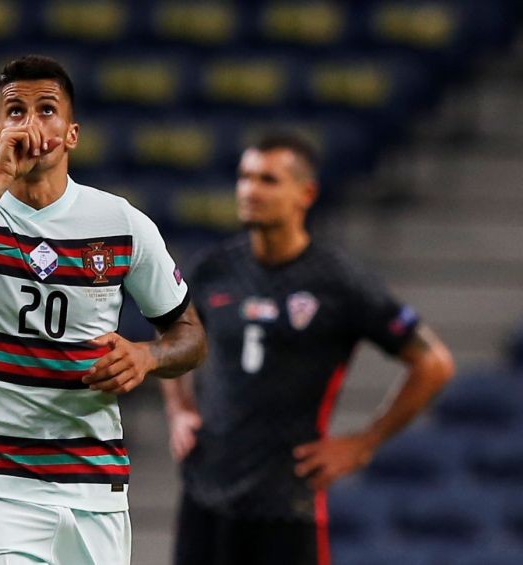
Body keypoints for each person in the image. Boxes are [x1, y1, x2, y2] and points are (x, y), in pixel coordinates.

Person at [0, 55, 207, 565]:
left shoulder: (121, 223)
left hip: (95, 485)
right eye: (15, 112)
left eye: (46, 110)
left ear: (71, 134)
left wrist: (148, 357)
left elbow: (190, 335)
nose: (30, 124)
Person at [160, 133, 455, 565]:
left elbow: (434, 363)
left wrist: (364, 443)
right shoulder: (215, 268)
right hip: (205, 492)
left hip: (285, 502)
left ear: (306, 193)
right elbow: (171, 331)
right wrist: (178, 408)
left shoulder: (338, 281)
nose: (250, 190)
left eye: (268, 179)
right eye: (244, 177)